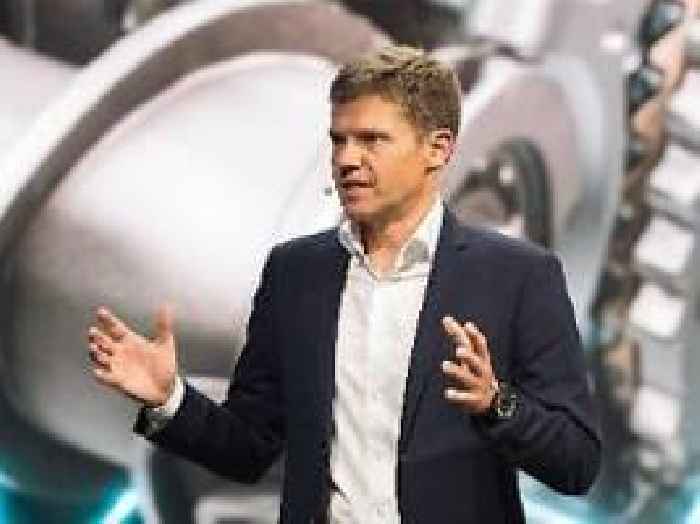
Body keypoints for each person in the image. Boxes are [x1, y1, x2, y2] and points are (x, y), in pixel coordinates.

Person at [87, 45, 601, 523]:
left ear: (437, 149)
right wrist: (169, 399)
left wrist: (497, 403)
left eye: (372, 140)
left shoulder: (520, 276)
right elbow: (249, 449)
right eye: (339, 140)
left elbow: (576, 463)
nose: (347, 160)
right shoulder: (296, 273)